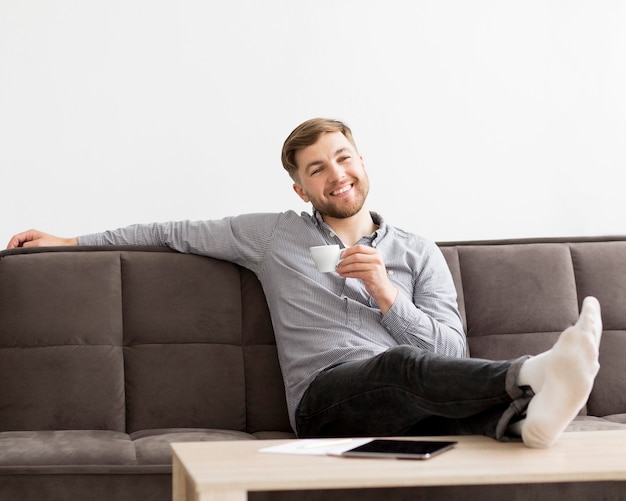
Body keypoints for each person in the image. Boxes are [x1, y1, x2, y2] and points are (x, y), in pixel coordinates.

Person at [7, 118, 602, 449]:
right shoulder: (273, 236)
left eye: (344, 158)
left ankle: (526, 421)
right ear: (301, 188)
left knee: (423, 390)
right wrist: (70, 241)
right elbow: (171, 230)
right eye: (317, 168)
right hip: (325, 402)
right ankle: (535, 373)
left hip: (412, 402)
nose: (336, 175)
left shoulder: (420, 252)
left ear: (362, 162)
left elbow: (452, 355)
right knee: (395, 368)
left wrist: (388, 295)